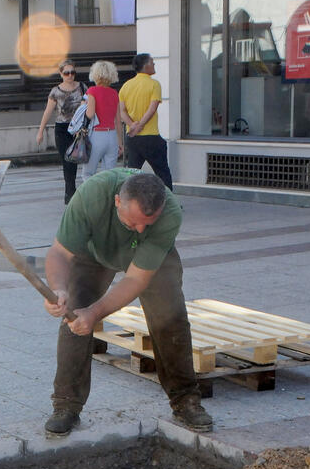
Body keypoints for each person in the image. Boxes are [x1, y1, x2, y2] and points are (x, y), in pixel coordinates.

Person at [42, 169, 213, 436]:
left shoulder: (169, 213)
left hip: (151, 261)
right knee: (74, 317)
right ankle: (66, 405)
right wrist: (59, 289)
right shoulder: (92, 195)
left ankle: (185, 400)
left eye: (148, 223)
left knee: (171, 320)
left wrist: (96, 312)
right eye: (133, 223)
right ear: (117, 202)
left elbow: (135, 279)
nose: (141, 229)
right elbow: (60, 253)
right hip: (95, 252)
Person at [119, 54, 174, 190]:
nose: (154, 65)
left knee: (131, 173)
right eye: (152, 63)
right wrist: (141, 125)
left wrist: (132, 125)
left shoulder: (126, 86)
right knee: (162, 172)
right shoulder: (154, 84)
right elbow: (152, 108)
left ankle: (127, 200)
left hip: (132, 137)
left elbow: (122, 111)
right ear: (146, 66)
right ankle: (168, 202)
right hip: (151, 135)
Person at [36, 60, 86, 204]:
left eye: (72, 72)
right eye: (66, 73)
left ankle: (71, 192)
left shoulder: (82, 87)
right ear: (61, 74)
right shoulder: (56, 91)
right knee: (66, 160)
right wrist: (40, 131)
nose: (70, 76)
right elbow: (48, 111)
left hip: (78, 128)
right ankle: (70, 192)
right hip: (62, 128)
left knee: (75, 159)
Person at [81, 60, 124, 182]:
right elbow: (118, 120)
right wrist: (120, 142)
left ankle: (92, 199)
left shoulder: (92, 91)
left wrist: (82, 107)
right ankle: (108, 199)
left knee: (88, 173)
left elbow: (90, 114)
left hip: (96, 135)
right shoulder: (114, 93)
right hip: (112, 136)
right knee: (109, 174)